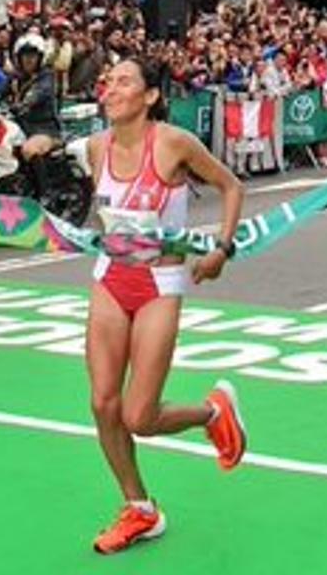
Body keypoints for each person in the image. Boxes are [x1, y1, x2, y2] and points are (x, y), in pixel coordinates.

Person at [82, 57, 248, 555]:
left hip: (161, 281)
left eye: (125, 81)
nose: (112, 88)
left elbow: (230, 186)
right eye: (109, 81)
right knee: (102, 404)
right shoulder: (96, 147)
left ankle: (211, 412)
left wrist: (221, 248)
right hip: (111, 279)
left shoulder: (173, 143)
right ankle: (140, 509)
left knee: (138, 415)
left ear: (150, 96)